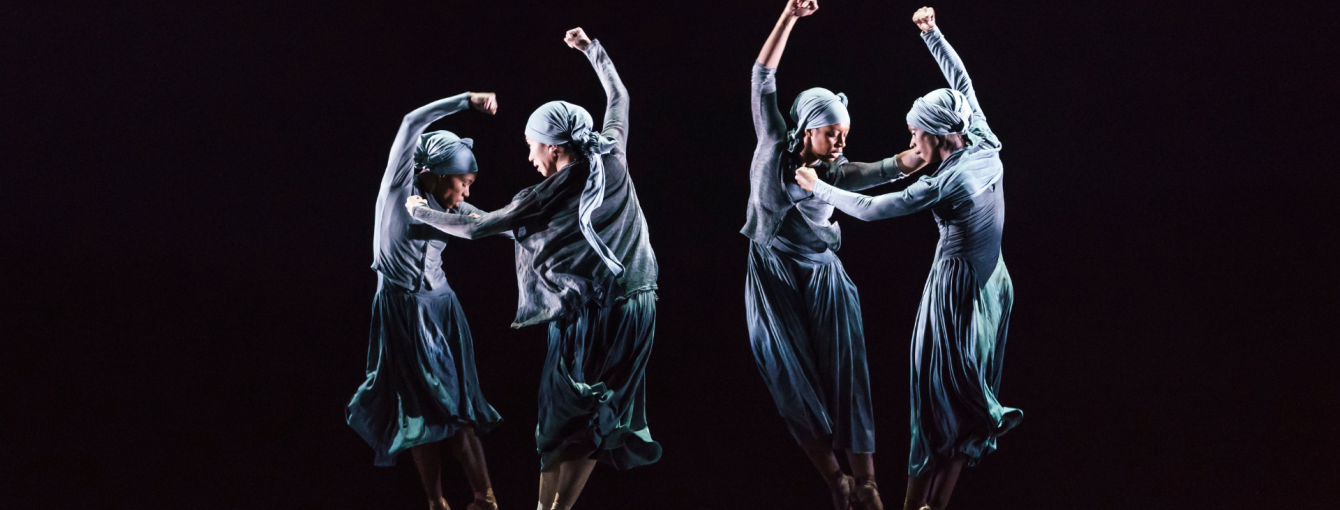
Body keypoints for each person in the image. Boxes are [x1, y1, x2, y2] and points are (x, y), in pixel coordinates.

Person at [405, 28, 659, 510]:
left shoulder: (554, 189)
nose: (529, 157)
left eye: (532, 146)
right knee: (563, 412)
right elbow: (619, 95)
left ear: (555, 148)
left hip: (606, 310)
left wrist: (422, 211)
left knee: (583, 414)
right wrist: (591, 50)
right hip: (629, 302)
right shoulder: (611, 151)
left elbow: (486, 229)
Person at [795, 7, 1023, 510]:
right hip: (994, 283)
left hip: (957, 291)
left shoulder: (945, 182)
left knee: (933, 395)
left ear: (938, 138)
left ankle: (920, 502)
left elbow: (874, 210)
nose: (910, 141)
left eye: (915, 133)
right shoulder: (983, 140)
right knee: (964, 397)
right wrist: (932, 34)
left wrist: (820, 187)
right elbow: (961, 79)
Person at [745, 1, 932, 508]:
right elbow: (763, 75)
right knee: (786, 372)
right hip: (772, 272)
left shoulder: (836, 173)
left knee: (847, 365)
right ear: (808, 129)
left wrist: (933, 145)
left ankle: (867, 481)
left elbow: (892, 167)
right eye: (834, 133)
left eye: (845, 134)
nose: (841, 142)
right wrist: (788, 17)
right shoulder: (772, 143)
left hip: (822, 273)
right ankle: (835, 480)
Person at [346, 90, 505, 510]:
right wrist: (467, 101)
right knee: (418, 412)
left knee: (456, 411)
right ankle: (436, 501)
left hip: (441, 310)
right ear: (436, 173)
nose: (468, 193)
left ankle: (483, 496)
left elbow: (496, 225)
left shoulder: (450, 210)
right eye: (464, 183)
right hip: (402, 311)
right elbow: (410, 122)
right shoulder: (399, 186)